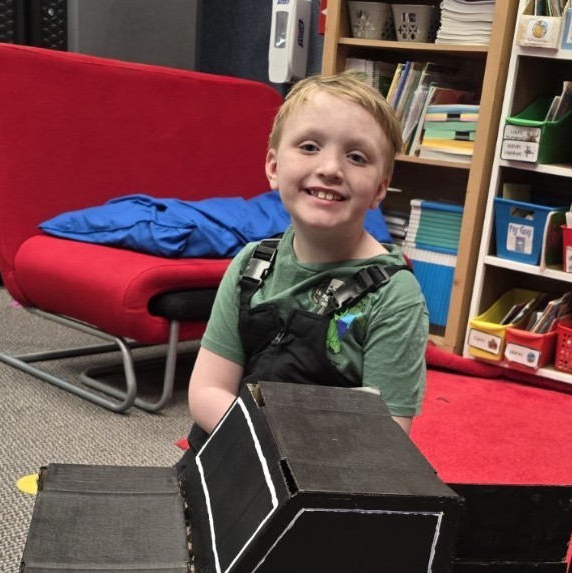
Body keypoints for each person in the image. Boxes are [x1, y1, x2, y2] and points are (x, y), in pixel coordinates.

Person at [179, 71, 429, 463]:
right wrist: (265, 448)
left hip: (328, 472)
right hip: (231, 450)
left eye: (356, 157)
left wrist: (294, 456)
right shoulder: (250, 264)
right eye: (310, 147)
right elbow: (207, 391)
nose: (331, 168)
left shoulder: (394, 296)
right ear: (274, 168)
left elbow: (387, 436)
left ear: (380, 188)